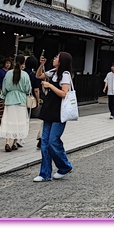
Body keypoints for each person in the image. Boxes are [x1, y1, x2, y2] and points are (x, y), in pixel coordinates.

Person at [34, 51, 74, 182]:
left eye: (57, 57)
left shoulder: (65, 75)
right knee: (45, 142)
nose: (54, 58)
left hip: (59, 111)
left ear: (62, 61)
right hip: (49, 109)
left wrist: (50, 85)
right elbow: (39, 75)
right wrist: (41, 65)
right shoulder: (53, 71)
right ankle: (45, 173)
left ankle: (64, 166)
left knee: (53, 141)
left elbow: (64, 93)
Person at [0, 54, 31, 152]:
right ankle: (15, 143)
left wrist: (4, 97)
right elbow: (28, 89)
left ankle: (7, 142)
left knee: (9, 121)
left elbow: (4, 88)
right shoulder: (25, 75)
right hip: (21, 100)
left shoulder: (8, 73)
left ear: (14, 62)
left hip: (10, 99)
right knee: (19, 122)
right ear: (23, 63)